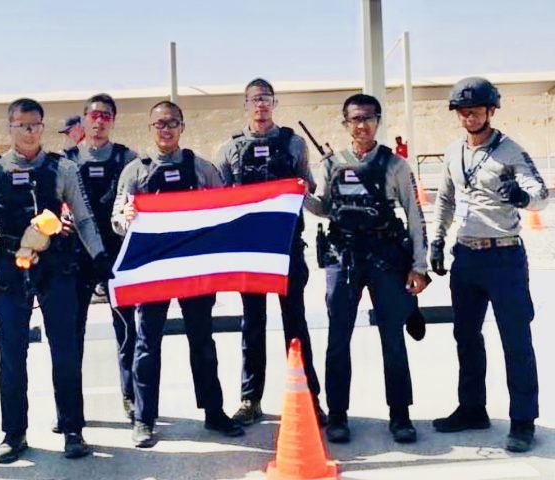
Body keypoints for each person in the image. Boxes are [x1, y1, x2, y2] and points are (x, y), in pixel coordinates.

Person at [0, 98, 112, 463]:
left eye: (34, 125)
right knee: (12, 354)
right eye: (22, 125)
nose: (29, 132)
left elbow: (83, 217)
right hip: (10, 269)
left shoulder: (62, 168)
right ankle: (14, 434)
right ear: (10, 128)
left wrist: (98, 256)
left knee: (65, 350)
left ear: (43, 128)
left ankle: (73, 429)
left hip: (56, 268)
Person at [112, 100, 245, 448]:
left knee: (202, 342)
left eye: (172, 123)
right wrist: (125, 219)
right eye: (160, 124)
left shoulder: (202, 168)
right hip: (153, 271)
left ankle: (214, 412)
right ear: (151, 129)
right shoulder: (135, 171)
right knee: (146, 345)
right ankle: (144, 418)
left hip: (194, 271)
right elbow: (116, 219)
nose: (166, 129)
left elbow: (224, 210)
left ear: (182, 127)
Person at [430, 77, 548, 452]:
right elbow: (445, 200)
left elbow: (541, 194)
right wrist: (437, 240)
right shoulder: (453, 152)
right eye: (463, 111)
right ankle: (472, 409)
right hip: (466, 256)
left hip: (504, 257)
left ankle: (523, 420)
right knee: (466, 336)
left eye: (476, 110)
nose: (470, 117)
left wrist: (521, 196)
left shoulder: (510, 150)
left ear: (491, 111)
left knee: (516, 340)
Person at [309, 93, 428, 444]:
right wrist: (298, 193)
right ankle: (338, 415)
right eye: (355, 119)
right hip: (343, 258)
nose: (361, 125)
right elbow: (324, 207)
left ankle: (400, 415)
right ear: (345, 123)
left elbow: (415, 216)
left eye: (368, 118)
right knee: (337, 338)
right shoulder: (331, 164)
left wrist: (419, 266)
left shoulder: (396, 165)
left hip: (385, 259)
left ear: (378, 121)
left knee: (393, 337)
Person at [214, 78, 325, 426]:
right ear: (245, 105)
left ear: (274, 103)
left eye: (266, 98)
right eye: (254, 99)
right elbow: (219, 200)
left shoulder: (294, 144)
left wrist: (315, 194)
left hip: (287, 249)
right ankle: (250, 399)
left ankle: (309, 398)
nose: (260, 104)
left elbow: (308, 188)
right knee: (252, 325)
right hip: (249, 252)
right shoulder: (229, 149)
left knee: (296, 324)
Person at [64, 93, 139, 425]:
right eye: (93, 115)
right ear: (84, 120)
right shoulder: (65, 161)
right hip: (76, 256)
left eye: (106, 116)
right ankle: (70, 407)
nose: (99, 121)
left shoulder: (128, 159)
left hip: (117, 255)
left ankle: (131, 397)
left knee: (127, 330)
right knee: (71, 333)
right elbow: (51, 202)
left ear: (113, 121)